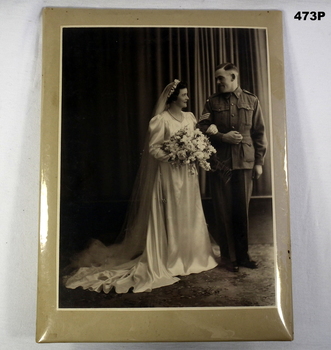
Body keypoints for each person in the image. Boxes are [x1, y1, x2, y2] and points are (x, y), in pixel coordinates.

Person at [64, 80, 218, 294]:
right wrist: (174, 153)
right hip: (168, 177)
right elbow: (154, 149)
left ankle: (192, 255)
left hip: (187, 176)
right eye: (184, 95)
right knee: (170, 214)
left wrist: (191, 152)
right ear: (173, 99)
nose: (187, 98)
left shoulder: (191, 118)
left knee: (190, 213)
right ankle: (172, 258)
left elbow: (196, 140)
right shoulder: (160, 120)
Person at [197, 63, 268, 273]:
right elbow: (201, 126)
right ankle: (229, 257)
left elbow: (259, 133)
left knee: (241, 211)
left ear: (233, 76)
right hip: (220, 163)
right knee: (223, 210)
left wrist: (259, 162)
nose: (218, 82)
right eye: (217, 79)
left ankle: (243, 256)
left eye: (221, 78)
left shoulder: (251, 100)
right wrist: (221, 136)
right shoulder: (212, 101)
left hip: (245, 162)